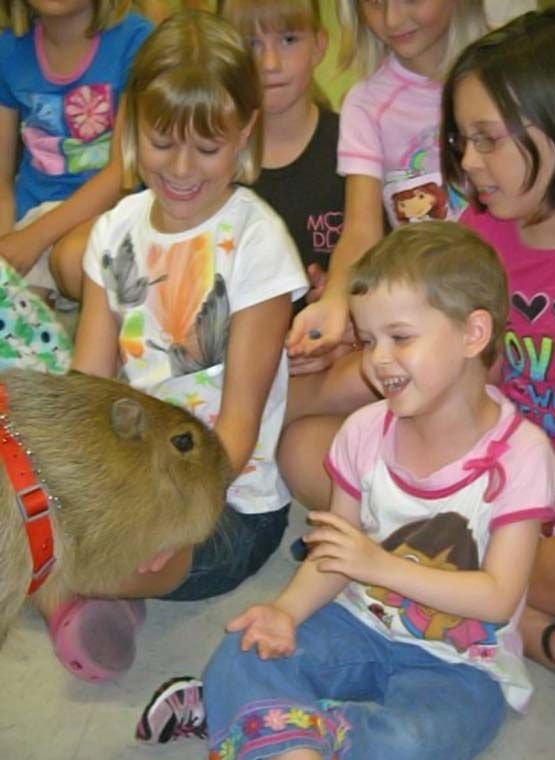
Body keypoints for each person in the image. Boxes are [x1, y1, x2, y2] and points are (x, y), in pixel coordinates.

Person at [134, 221, 555, 756]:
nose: (379, 360)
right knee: (244, 648)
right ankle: (282, 726)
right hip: (356, 622)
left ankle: (279, 728)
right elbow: (334, 556)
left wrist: (377, 565)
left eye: (400, 337)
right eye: (369, 340)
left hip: (459, 663)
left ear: (474, 334)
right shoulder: (363, 430)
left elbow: (497, 599)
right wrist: (285, 612)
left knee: (414, 740)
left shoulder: (522, 455)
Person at [38, 9, 308, 684]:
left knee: (71, 551)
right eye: (161, 141)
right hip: (127, 478)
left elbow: (239, 426)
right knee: (28, 514)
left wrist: (164, 525)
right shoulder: (115, 230)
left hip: (223, 502)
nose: (182, 169)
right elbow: (89, 388)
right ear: (131, 126)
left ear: (245, 133)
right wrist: (66, 487)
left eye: (208, 149)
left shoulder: (259, 242)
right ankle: (87, 587)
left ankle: (82, 590)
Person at [440, 6, 555, 703]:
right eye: (462, 139)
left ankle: (498, 609)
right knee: (314, 453)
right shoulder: (474, 235)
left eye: (487, 140)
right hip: (499, 486)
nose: (468, 163)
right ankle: (538, 626)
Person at [277, 0, 490, 511]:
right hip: (418, 314)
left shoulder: (504, 72)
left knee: (359, 375)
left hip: (495, 322)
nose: (393, 20)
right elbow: (361, 229)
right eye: (374, 3)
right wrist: (334, 303)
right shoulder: (368, 103)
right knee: (303, 452)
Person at [0, 0, 153, 302]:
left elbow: (123, 171)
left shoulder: (135, 40)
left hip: (113, 211)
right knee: (15, 319)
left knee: (72, 260)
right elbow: (2, 182)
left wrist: (32, 239)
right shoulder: (9, 50)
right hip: (32, 214)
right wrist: (7, 245)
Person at [219, 0, 344, 316]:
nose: (270, 63)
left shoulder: (354, 146)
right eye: (251, 44)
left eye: (288, 40)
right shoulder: (211, 157)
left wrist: (345, 291)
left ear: (318, 46)